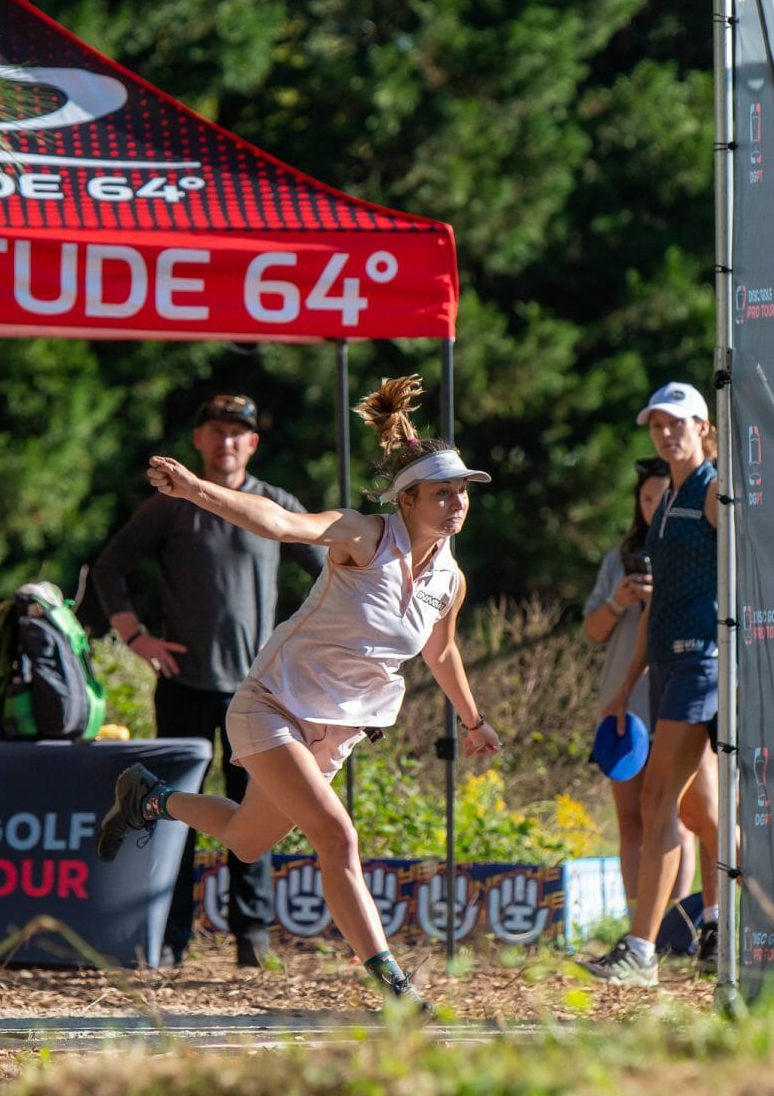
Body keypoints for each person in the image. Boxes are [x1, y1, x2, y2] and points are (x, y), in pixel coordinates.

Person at [96, 375, 502, 1008]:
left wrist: (474, 722)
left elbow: (441, 651)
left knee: (247, 839)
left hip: (335, 730)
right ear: (407, 500)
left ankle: (152, 800)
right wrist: (199, 489)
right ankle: (394, 983)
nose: (457, 504)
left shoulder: (450, 579)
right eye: (442, 493)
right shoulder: (362, 535)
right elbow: (281, 523)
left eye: (462, 493)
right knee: (337, 836)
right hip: (272, 708)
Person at [91, 393, 325, 969]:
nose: (226, 442)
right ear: (199, 440)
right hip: (185, 683)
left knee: (257, 812)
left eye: (237, 433)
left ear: (252, 444)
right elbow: (109, 567)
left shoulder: (275, 504)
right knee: (175, 815)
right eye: (215, 431)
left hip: (259, 693)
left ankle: (252, 941)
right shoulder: (172, 505)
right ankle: (168, 941)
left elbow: (332, 575)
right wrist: (135, 636)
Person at [603, 381, 722, 988]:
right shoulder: (669, 496)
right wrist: (627, 683)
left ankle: (642, 949)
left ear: (704, 428)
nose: (667, 433)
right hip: (669, 668)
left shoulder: (714, 487)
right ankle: (722, 924)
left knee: (658, 804)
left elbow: (754, 562)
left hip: (705, 664)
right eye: (657, 425)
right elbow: (655, 606)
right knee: (704, 810)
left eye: (679, 423)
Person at [578, 456, 700, 981]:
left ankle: (678, 927)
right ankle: (638, 927)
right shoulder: (621, 557)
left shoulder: (693, 550)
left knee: (672, 815)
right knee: (630, 820)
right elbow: (593, 631)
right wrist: (618, 599)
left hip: (674, 699)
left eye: (663, 498)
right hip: (623, 708)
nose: (655, 507)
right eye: (647, 500)